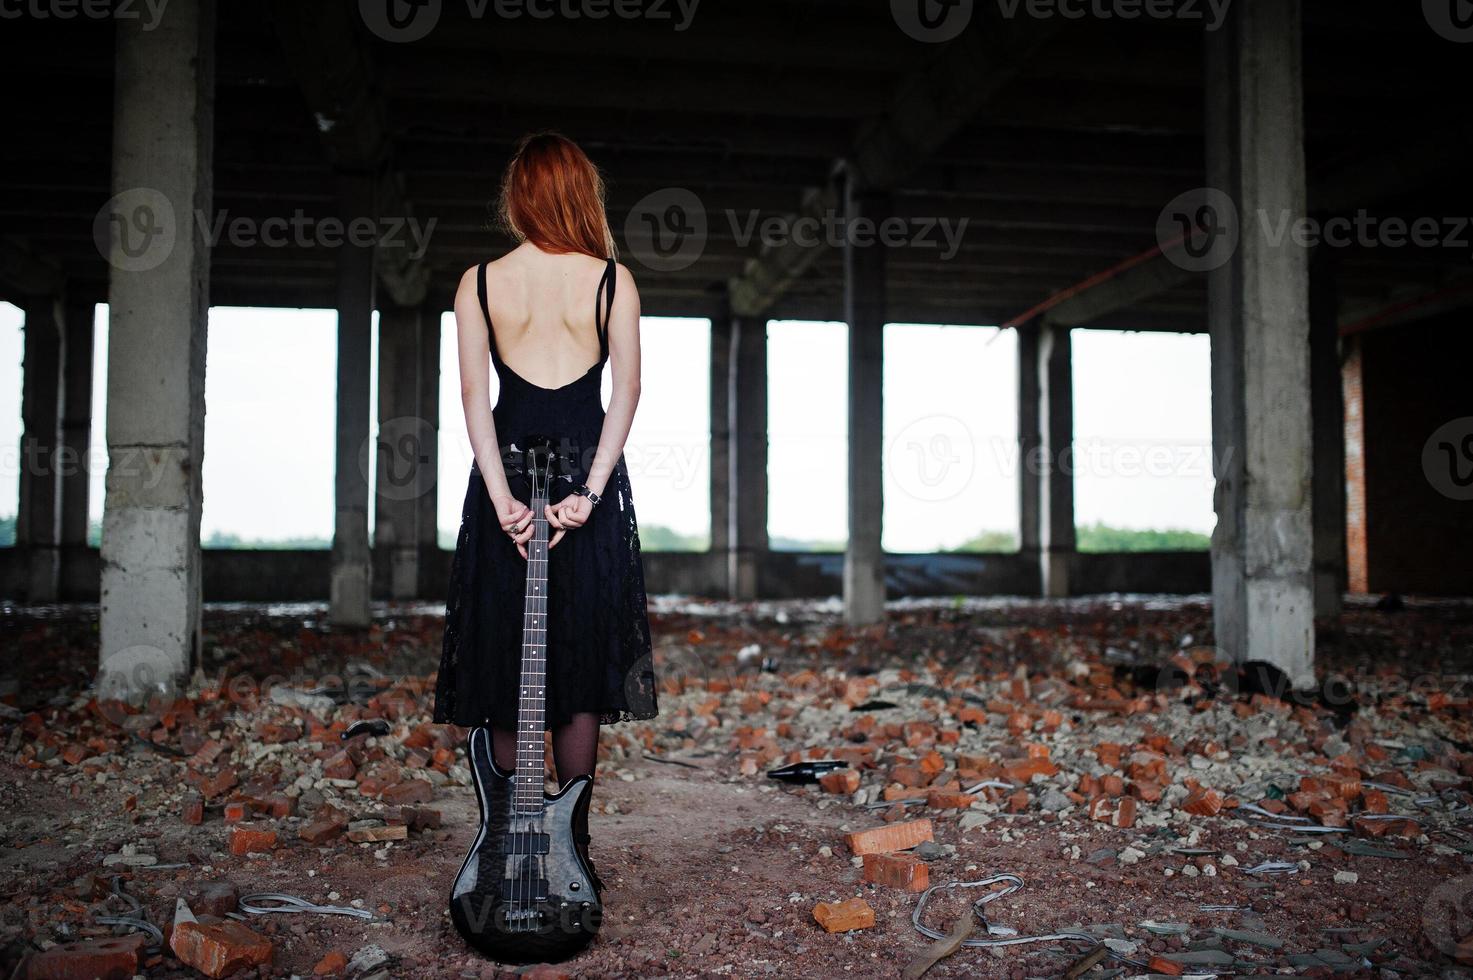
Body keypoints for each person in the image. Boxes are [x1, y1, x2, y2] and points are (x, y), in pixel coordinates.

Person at [434, 131, 659, 790]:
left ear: (519, 198)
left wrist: (502, 498)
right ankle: (571, 844)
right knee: (583, 645)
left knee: (504, 642)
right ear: (579, 195)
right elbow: (628, 391)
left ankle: (507, 833)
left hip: (504, 473)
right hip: (584, 470)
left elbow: (474, 397)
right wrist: (589, 494)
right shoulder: (612, 281)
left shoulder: (479, 282)